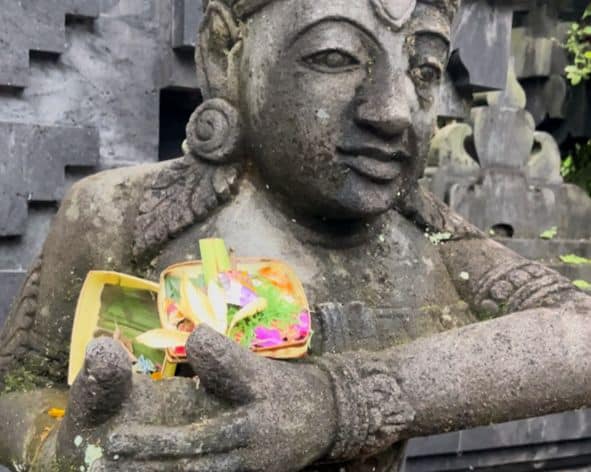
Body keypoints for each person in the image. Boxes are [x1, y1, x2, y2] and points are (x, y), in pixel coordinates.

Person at [1, 0, 590, 470]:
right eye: (335, 57)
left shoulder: (425, 243)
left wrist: (335, 405)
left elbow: (580, 334)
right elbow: (17, 392)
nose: (393, 109)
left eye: (424, 69)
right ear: (223, 54)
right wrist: (53, 447)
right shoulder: (119, 215)